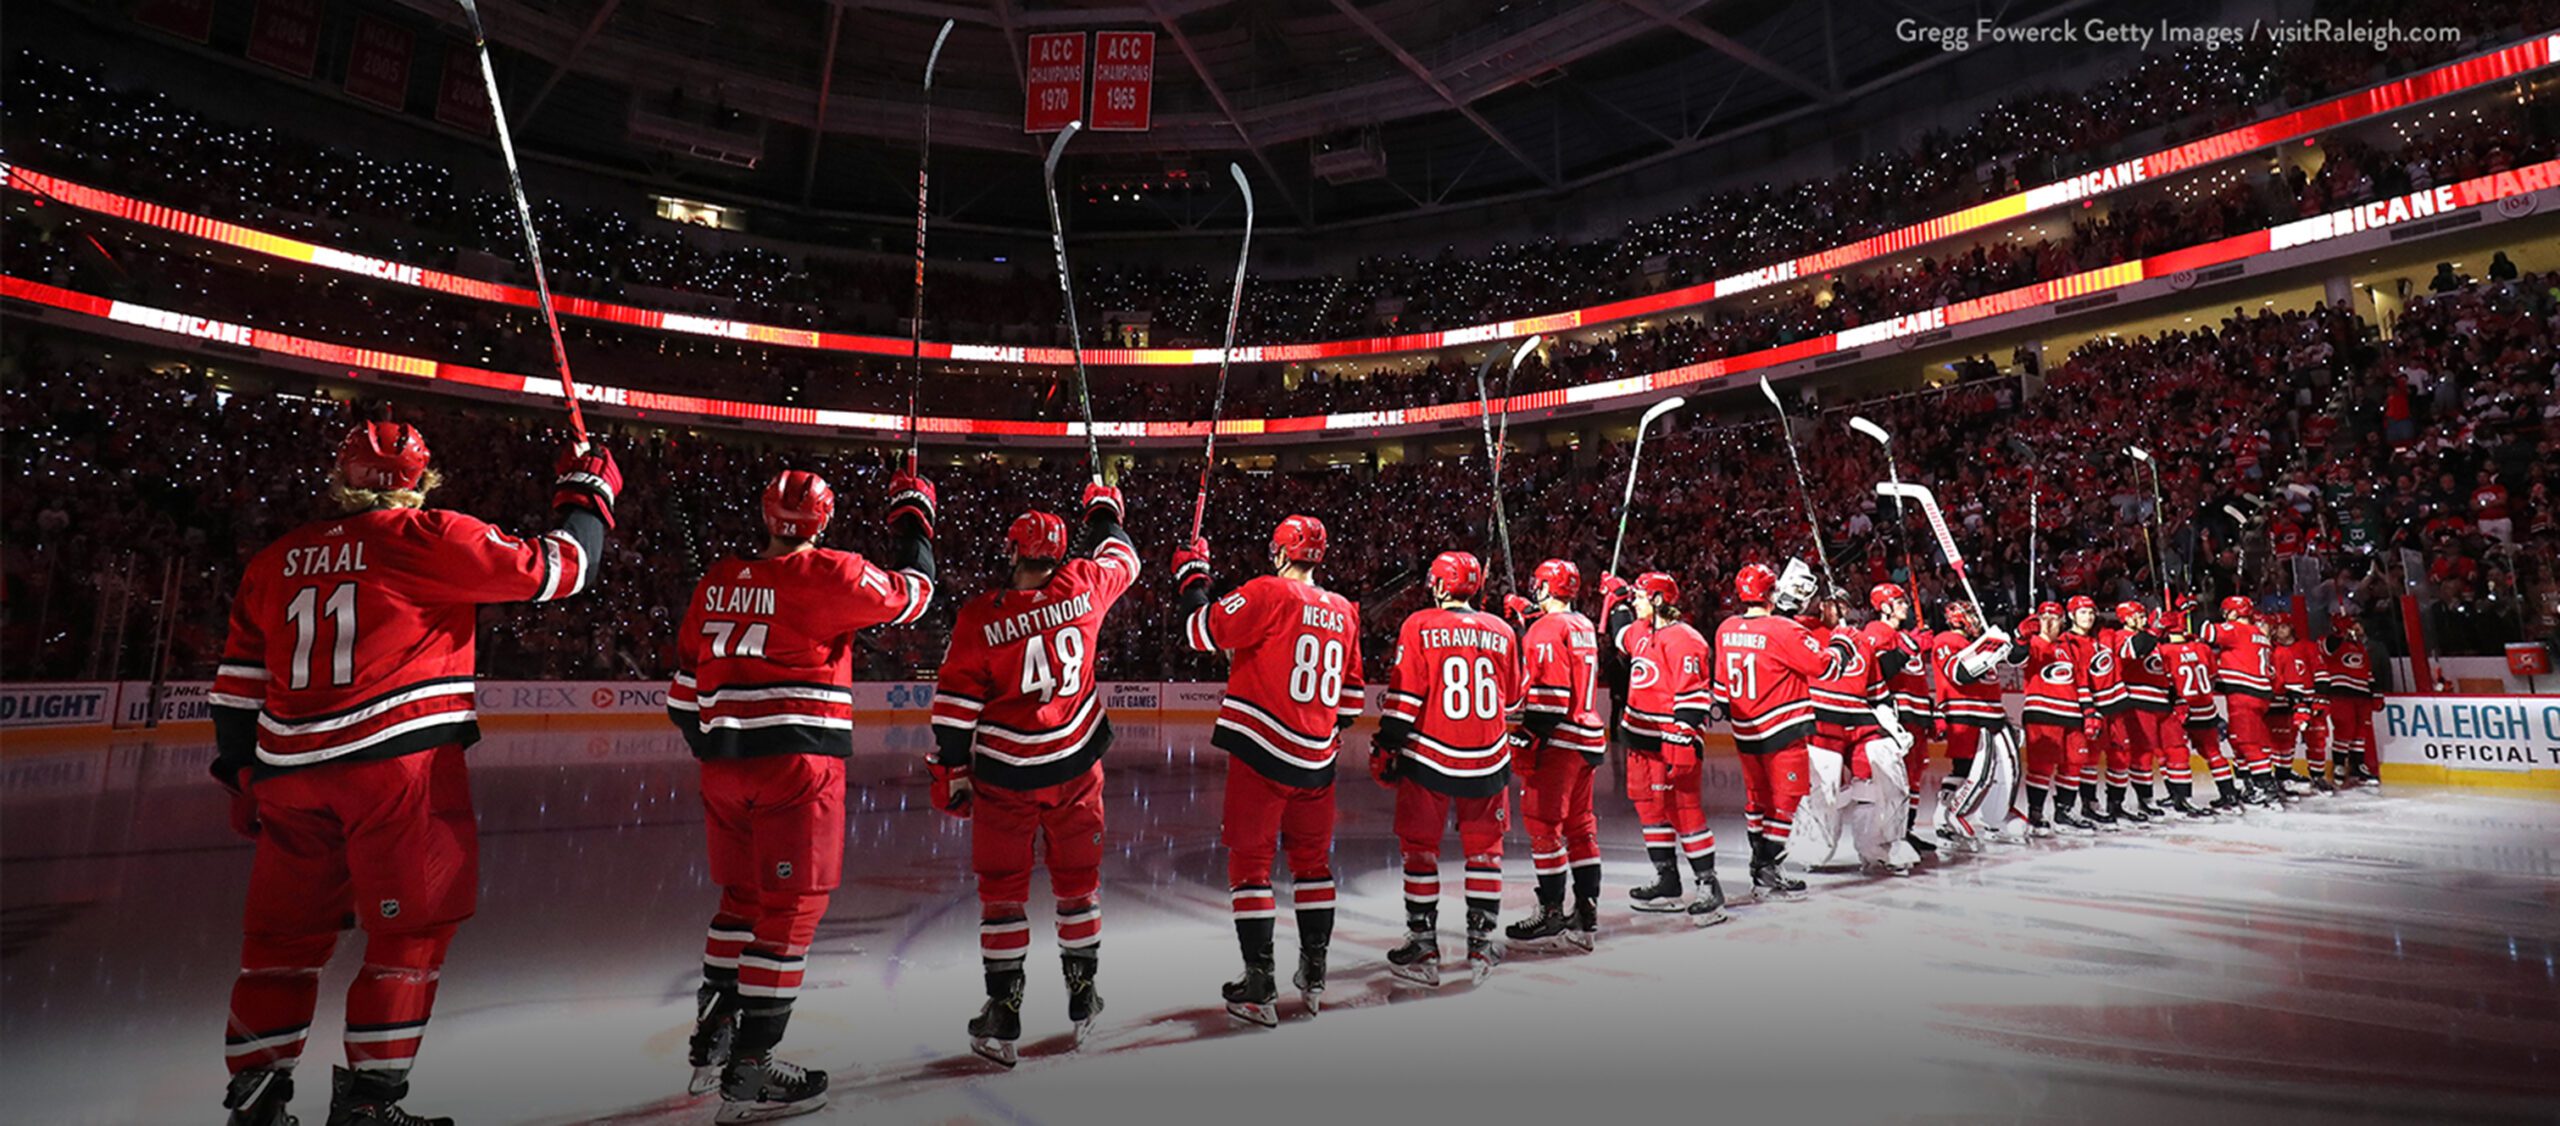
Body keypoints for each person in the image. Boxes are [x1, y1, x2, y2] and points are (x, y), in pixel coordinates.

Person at [210, 422, 619, 1126]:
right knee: (409, 936)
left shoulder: (275, 559)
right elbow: (565, 570)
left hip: (289, 775)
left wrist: (240, 772)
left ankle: (256, 1102)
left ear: (340, 474)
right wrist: (589, 491)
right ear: (420, 479)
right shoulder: (429, 536)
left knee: (279, 948)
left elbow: (237, 685)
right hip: (397, 772)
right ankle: (370, 1105)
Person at [665, 467, 935, 1121]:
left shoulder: (718, 580)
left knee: (741, 903)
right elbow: (917, 594)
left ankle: (712, 1039)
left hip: (724, 768)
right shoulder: (831, 575)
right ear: (825, 518)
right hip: (797, 767)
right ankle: (751, 1069)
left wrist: (722, 751)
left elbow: (681, 697)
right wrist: (912, 513)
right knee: (791, 912)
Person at [926, 482, 1138, 1067]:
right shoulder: (1085, 585)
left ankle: (1004, 1008)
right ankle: (1082, 991)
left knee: (1002, 895)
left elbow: (955, 707)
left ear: (1013, 552)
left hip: (1006, 777)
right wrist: (1103, 509)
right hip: (1076, 768)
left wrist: (951, 766)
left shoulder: (979, 617)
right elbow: (1124, 555)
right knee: (1077, 886)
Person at [1177, 516, 1364, 1026]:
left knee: (1250, 865)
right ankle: (1316, 970)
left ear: (1280, 552)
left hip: (1261, 751)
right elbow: (1348, 703)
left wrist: (1193, 579)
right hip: (1317, 760)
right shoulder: (1346, 611)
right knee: (1313, 865)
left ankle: (1259, 982)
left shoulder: (1268, 592)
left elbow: (1200, 633)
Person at [1374, 552, 1522, 985]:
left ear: (1439, 585)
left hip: (1429, 759)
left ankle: (1423, 946)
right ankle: (1480, 944)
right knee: (1485, 856)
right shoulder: (1502, 630)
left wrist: (1386, 744)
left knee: (1420, 851)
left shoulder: (1419, 624)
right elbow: (1513, 705)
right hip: (1489, 758)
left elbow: (1404, 700)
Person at [1603, 571, 1726, 922]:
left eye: (1641, 596)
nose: (1637, 602)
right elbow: (1621, 633)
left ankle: (1707, 884)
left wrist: (1684, 739)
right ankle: (1667, 880)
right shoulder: (1643, 631)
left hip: (1670, 740)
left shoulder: (1686, 639)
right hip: (1639, 740)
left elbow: (1693, 694)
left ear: (1658, 600)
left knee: (1683, 810)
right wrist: (1615, 599)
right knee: (1649, 809)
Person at [1503, 560, 1608, 951]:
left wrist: (1525, 737)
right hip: (1588, 737)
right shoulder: (1580, 623)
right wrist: (1528, 621)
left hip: (1559, 742)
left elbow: (1550, 699)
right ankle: (1586, 912)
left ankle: (1550, 912)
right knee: (1580, 828)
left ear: (1548, 587)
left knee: (1544, 825)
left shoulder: (1546, 629)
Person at [1711, 560, 1830, 899]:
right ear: (1772, 592)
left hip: (1745, 729)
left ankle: (1758, 863)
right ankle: (1767, 865)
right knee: (1786, 800)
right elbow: (1821, 665)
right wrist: (1843, 642)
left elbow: (1720, 689)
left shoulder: (1725, 628)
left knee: (1757, 800)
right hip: (1783, 727)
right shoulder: (1784, 629)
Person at [1795, 584, 1922, 875]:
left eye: (1843, 604)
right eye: (1831, 603)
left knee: (1883, 776)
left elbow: (1877, 693)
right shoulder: (1805, 634)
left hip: (1861, 722)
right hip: (1822, 721)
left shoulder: (1861, 641)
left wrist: (1892, 725)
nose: (1838, 609)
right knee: (1824, 786)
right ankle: (1814, 847)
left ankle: (1878, 847)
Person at [1932, 601, 2025, 846]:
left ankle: (1998, 813)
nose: (1975, 619)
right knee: (1966, 769)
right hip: (1965, 715)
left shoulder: (1980, 642)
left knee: (2003, 768)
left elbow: (2016, 659)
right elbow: (1959, 674)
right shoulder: (1945, 640)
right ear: (1956, 618)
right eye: (1970, 614)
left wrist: (2021, 638)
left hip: (1991, 714)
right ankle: (1946, 816)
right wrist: (1987, 652)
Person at [2018, 602, 2098, 835]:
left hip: (2072, 715)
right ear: (2038, 619)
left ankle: (2064, 812)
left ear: (2064, 620)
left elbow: (2081, 682)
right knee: (2042, 767)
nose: (2051, 621)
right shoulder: (2031, 643)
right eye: (2045, 617)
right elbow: (2015, 659)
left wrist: (2089, 713)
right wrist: (2021, 638)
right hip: (2043, 713)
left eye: (2056, 617)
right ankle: (2036, 813)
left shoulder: (2070, 646)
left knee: (2074, 764)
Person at [2202, 595, 2281, 805]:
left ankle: (2266, 788)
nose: (2226, 617)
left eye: (2227, 613)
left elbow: (2207, 633)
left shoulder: (2238, 630)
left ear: (2235, 613)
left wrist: (2191, 611)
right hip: (2260, 693)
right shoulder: (2260, 634)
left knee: (2247, 743)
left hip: (2244, 694)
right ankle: (2251, 785)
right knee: (2240, 740)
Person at [2160, 604, 2238, 816]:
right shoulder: (2202, 648)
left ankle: (2180, 796)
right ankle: (2229, 793)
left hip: (2181, 710)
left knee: (2174, 754)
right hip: (2206, 708)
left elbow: (2165, 682)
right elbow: (2213, 676)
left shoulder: (2164, 651)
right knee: (2213, 753)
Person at [2068, 595, 2139, 825]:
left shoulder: (2107, 635)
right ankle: (2089, 805)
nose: (2088, 617)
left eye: (2090, 612)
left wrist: (2151, 630)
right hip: (2092, 710)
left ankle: (2116, 805)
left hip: (2116, 708)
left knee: (2121, 757)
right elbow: (2078, 680)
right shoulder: (2068, 642)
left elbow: (2135, 649)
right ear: (2071, 615)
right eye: (2082, 612)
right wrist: (2088, 711)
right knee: (2089, 761)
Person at [2108, 600, 2173, 821]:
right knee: (2138, 754)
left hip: (2159, 703)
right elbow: (2133, 651)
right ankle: (2130, 801)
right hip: (2137, 702)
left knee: (2156, 753)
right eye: (2138, 615)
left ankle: (2150, 799)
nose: (2143, 619)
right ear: (2125, 618)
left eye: (2144, 615)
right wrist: (2154, 630)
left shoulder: (2152, 640)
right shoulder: (2120, 636)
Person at [1886, 599, 1941, 858]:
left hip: (1917, 715)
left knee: (1916, 774)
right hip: (1899, 714)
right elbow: (1883, 669)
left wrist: (1930, 715)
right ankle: (1894, 833)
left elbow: (1920, 681)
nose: (1905, 606)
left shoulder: (1910, 638)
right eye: (1898, 602)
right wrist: (1911, 644)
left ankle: (1906, 830)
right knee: (1902, 776)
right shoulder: (1881, 633)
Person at [2319, 614, 2380, 786]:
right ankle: (2339, 763)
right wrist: (2338, 633)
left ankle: (2357, 765)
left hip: (2361, 694)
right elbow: (2328, 649)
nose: (2355, 629)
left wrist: (2375, 693)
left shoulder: (2359, 647)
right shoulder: (2329, 642)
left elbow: (2368, 671)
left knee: (2360, 731)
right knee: (2344, 728)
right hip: (2341, 692)